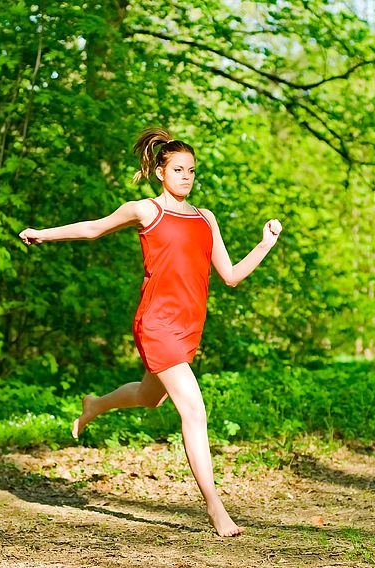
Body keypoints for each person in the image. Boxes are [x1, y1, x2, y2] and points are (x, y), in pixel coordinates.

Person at [18, 127, 282, 537]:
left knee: (148, 397)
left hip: (189, 326)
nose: (186, 177)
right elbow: (93, 228)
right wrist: (42, 233)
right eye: (178, 170)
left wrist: (264, 244)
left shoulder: (204, 218)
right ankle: (216, 509)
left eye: (191, 171)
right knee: (194, 411)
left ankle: (95, 405)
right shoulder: (145, 211)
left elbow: (229, 276)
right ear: (161, 171)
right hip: (156, 323)